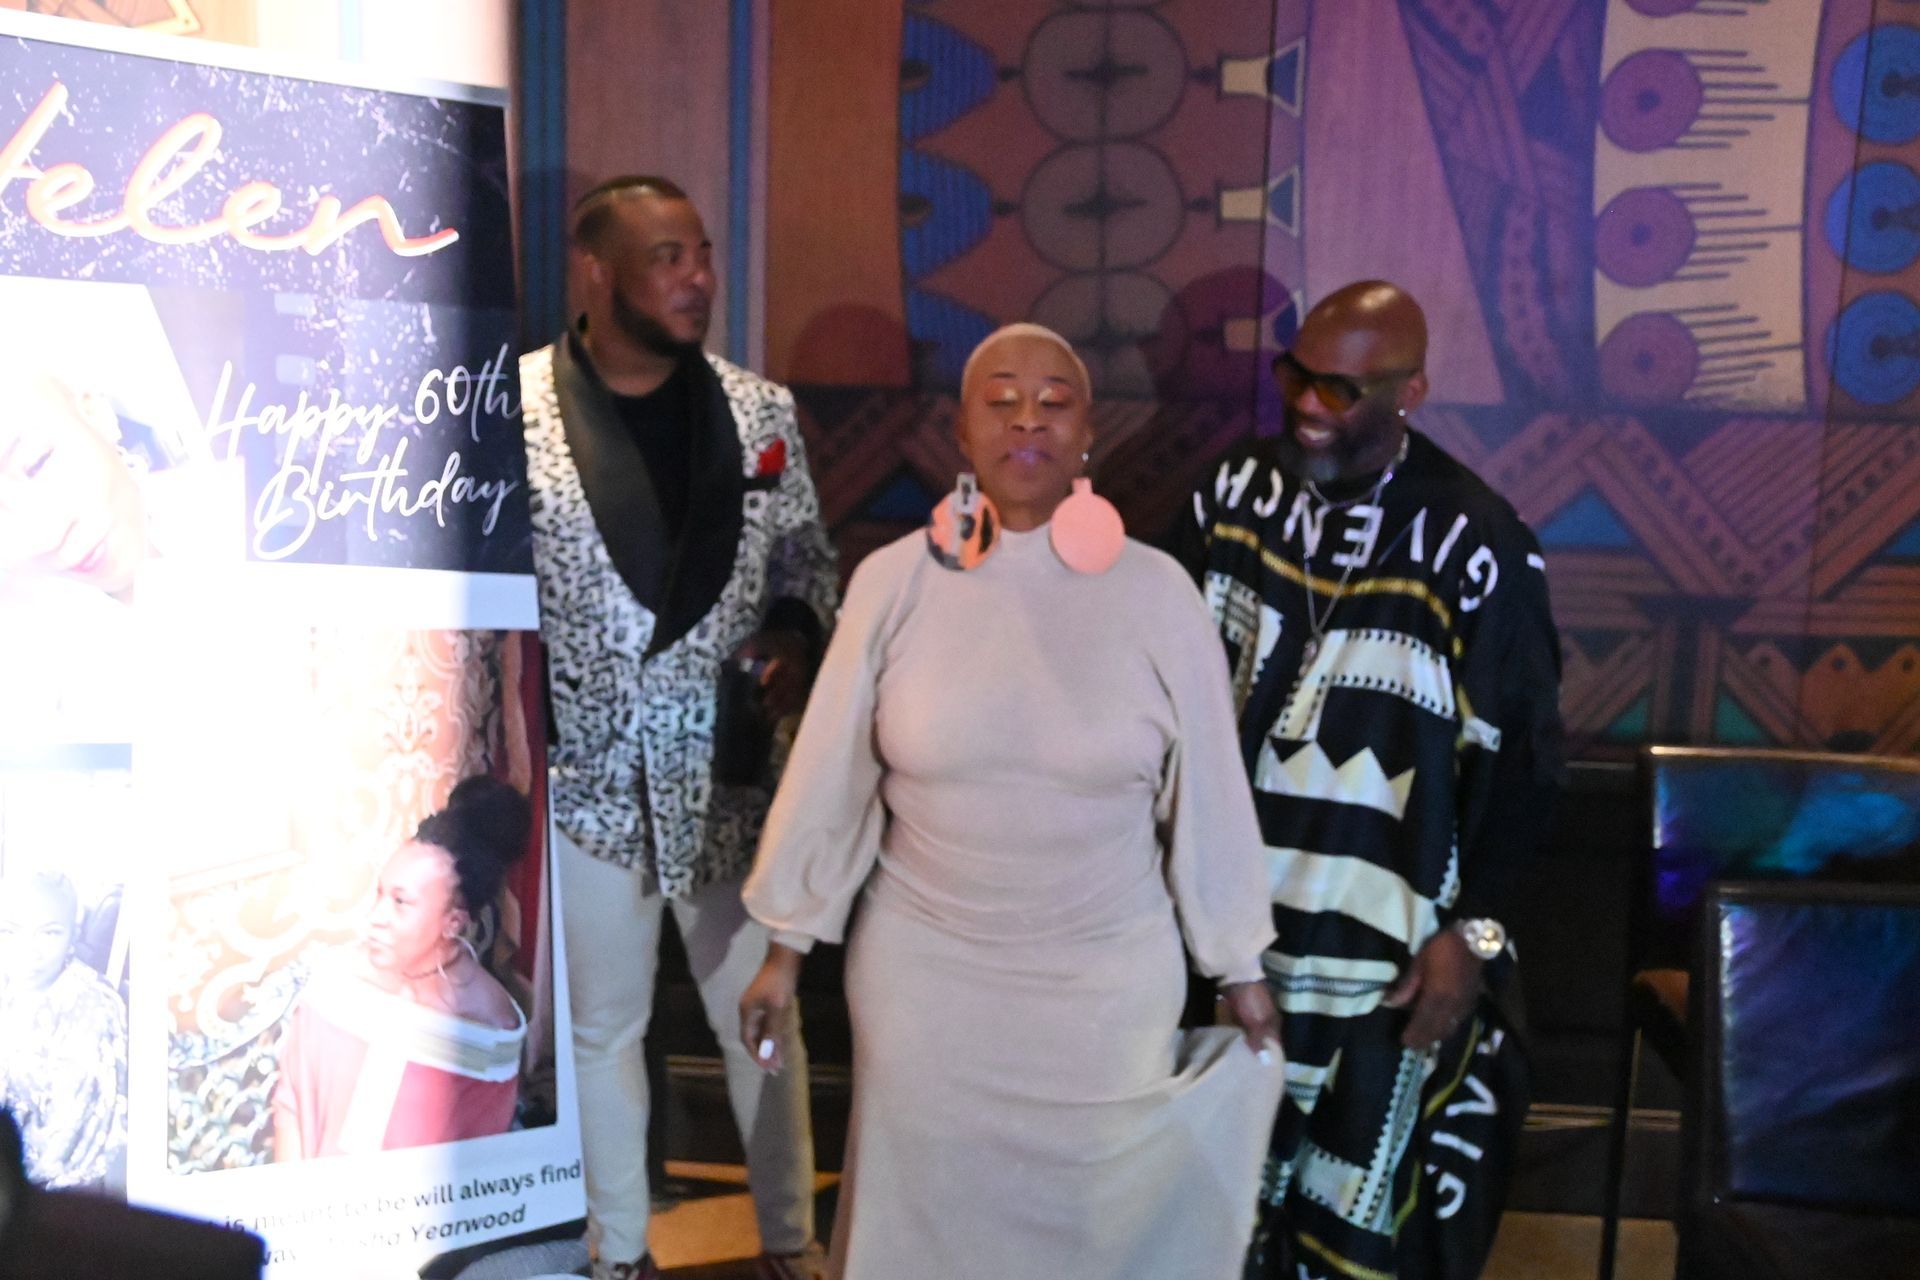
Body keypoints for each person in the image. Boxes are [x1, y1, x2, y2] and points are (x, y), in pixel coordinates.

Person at [739, 323, 1286, 1280]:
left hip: (1105, 985)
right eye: (999, 401)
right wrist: (783, 952)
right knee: (924, 1224)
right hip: (925, 978)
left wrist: (1240, 965)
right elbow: (833, 774)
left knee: (1089, 1233)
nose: (1026, 418)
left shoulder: (1159, 594)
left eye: (1053, 402)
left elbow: (1208, 794)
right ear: (960, 432)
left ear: (1088, 435)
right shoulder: (892, 582)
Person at [1170, 281, 1564, 1280]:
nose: (1307, 404)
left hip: (1379, 956)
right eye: (1296, 375)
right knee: (1202, 1216)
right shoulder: (1234, 492)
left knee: (1358, 1230)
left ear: (1409, 391)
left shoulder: (1477, 541)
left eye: (1340, 389)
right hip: (1225, 928)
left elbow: (1525, 765)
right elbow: (1145, 668)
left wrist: (1476, 932)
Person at [519, 175, 837, 1280]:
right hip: (586, 785)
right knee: (600, 1030)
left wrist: (791, 638)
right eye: (667, 258)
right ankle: (618, 1254)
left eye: (700, 253)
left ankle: (792, 1242)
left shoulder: (761, 413)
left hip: (730, 778)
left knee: (764, 1018)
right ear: (596, 272)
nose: (697, 277)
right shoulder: (512, 412)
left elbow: (806, 564)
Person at [271, 777, 533, 1160]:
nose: (376, 917)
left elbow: (475, 1168)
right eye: (380, 893)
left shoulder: (488, 1027)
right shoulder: (337, 982)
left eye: (401, 902)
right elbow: (291, 1107)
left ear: (453, 922)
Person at [0, 870, 127, 1190]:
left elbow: (61, 1143)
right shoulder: (7, 992)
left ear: (74, 934)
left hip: (61, 1198)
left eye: (49, 933)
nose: (28, 950)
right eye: (10, 931)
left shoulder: (93, 1006)